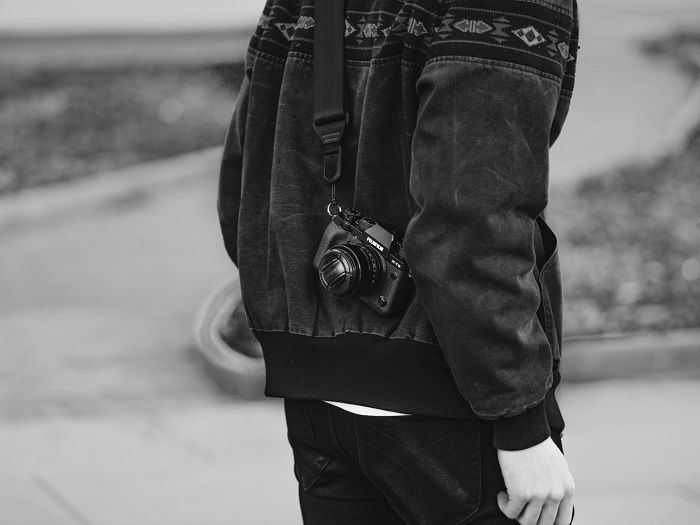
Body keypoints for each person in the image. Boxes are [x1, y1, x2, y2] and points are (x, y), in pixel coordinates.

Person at [217, 0, 579, 524]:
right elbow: (472, 216)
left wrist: (308, 333)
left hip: (321, 403)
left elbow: (246, 175)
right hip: (454, 408)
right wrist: (521, 424)